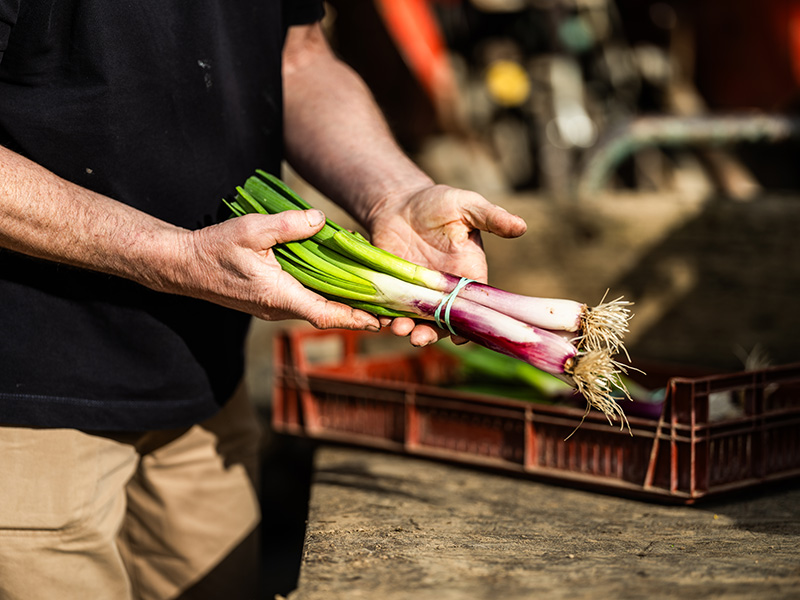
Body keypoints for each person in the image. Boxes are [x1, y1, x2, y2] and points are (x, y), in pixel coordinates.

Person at [0, 1, 527, 598]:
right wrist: (170, 255)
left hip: (203, 388)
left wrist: (395, 194)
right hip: (25, 410)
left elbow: (296, 56)